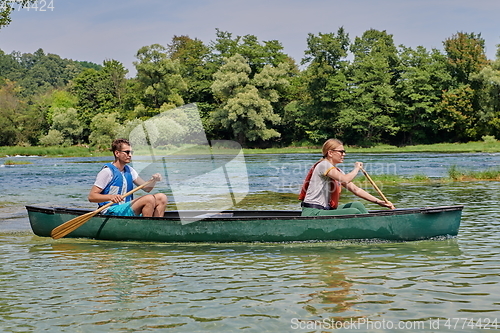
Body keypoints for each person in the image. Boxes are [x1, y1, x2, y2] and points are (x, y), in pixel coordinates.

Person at [299, 138, 395, 216]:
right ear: (330, 153)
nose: (344, 154)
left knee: (357, 205)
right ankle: (368, 227)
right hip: (313, 212)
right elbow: (345, 179)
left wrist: (379, 202)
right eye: (341, 152)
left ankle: (372, 224)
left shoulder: (336, 171)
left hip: (324, 210)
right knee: (354, 212)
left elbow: (356, 190)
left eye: (344, 151)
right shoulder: (323, 165)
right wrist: (357, 168)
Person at [88, 138, 168, 217]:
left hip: (125, 209)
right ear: (117, 153)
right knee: (149, 199)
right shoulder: (107, 172)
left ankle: (156, 225)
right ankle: (146, 228)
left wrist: (153, 180)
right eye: (127, 152)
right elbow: (92, 197)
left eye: (131, 152)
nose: (130, 155)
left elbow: (147, 188)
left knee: (162, 197)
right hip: (110, 210)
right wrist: (111, 197)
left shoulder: (130, 170)